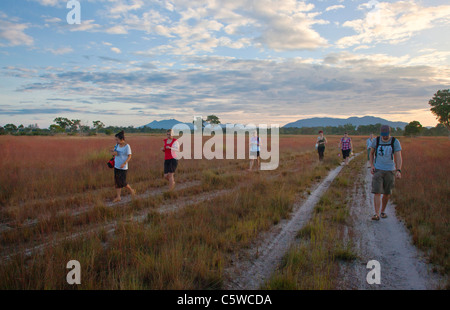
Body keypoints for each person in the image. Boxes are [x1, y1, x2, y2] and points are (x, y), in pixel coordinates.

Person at [369, 125, 402, 221]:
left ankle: (382, 211)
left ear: (389, 133)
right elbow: (371, 153)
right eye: (383, 135)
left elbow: (398, 156)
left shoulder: (395, 142)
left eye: (386, 135)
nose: (385, 137)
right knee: (377, 192)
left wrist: (398, 170)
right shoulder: (376, 140)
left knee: (387, 193)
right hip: (378, 169)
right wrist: (372, 165)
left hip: (390, 170)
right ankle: (376, 214)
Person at [111, 131, 135, 202]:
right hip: (116, 166)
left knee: (123, 182)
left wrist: (124, 163)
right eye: (116, 140)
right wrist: (113, 152)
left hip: (123, 167)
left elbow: (129, 156)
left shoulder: (127, 146)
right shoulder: (117, 145)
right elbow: (115, 152)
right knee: (117, 182)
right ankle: (118, 197)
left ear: (122, 139)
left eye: (117, 139)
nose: (116, 141)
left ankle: (131, 190)